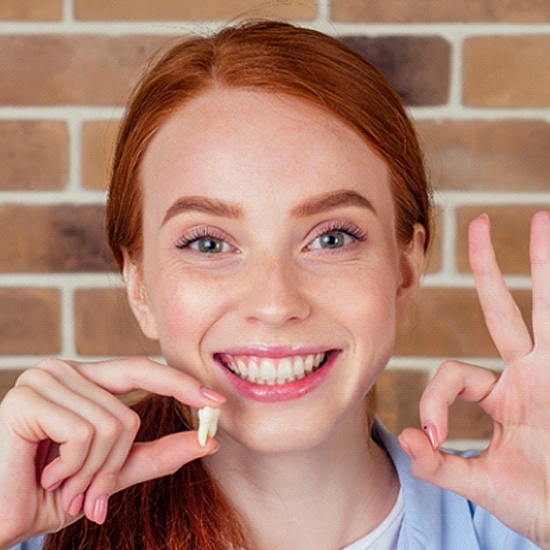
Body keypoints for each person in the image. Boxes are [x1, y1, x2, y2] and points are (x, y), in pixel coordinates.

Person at [0, 20, 549, 550]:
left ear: (406, 271)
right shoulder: (30, 534)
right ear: (139, 286)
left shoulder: (526, 523)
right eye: (209, 244)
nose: (275, 303)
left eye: (332, 238)